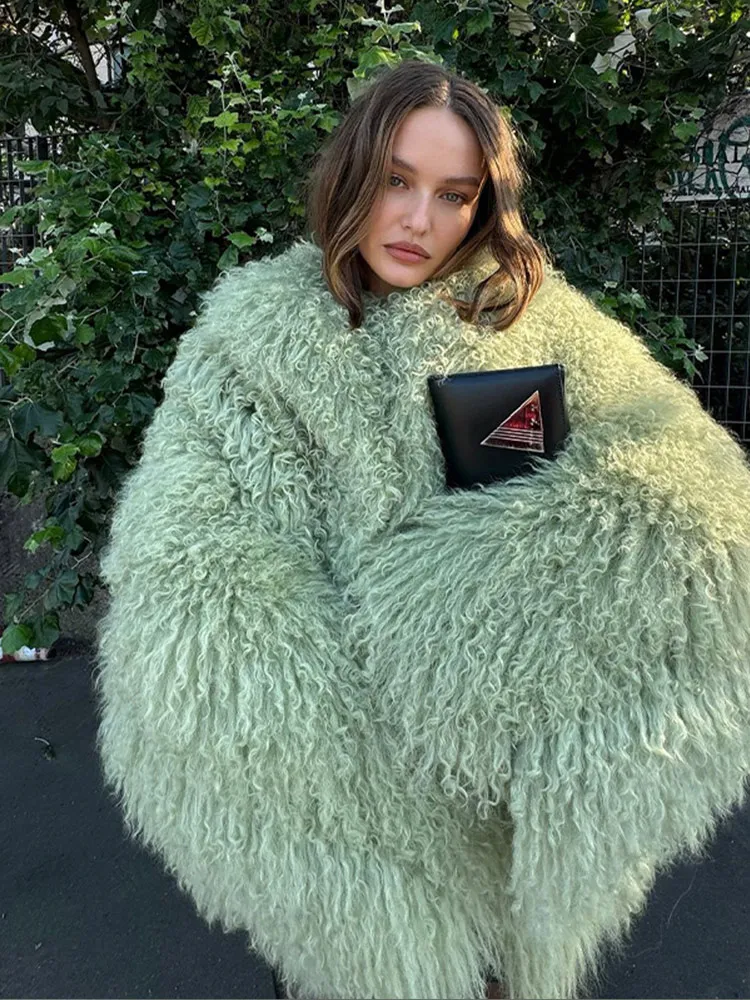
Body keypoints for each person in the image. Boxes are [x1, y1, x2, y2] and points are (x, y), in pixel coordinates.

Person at [93, 59, 750, 1000]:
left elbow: (681, 480)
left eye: (453, 195)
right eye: (397, 180)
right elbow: (192, 570)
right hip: (351, 804)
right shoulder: (243, 350)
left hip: (499, 803)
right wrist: (380, 700)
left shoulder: (528, 317)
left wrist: (472, 613)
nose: (417, 221)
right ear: (351, 172)